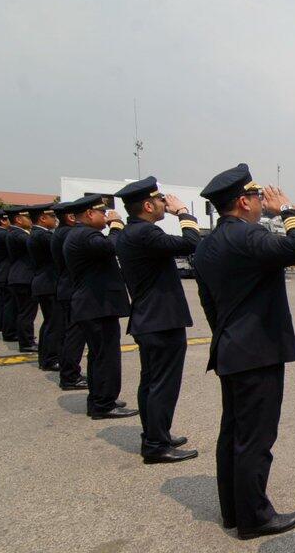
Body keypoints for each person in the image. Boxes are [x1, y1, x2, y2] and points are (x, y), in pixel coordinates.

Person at [192, 164, 295, 540]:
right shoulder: (247, 237)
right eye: (258, 197)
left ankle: (233, 510)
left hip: (231, 349)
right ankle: (255, 517)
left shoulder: (207, 244)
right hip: (257, 353)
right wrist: (289, 211)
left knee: (232, 434)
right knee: (255, 440)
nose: (264, 203)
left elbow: (209, 304)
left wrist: (228, 336)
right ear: (243, 202)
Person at [113, 177, 201, 464]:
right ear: (148, 205)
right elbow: (190, 243)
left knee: (151, 381)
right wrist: (184, 213)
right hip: (160, 320)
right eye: (162, 200)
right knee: (163, 383)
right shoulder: (145, 234)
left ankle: (156, 434)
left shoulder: (130, 232)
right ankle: (155, 445)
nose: (167, 204)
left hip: (149, 318)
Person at [63, 195, 137, 419]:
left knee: (98, 355)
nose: (105, 217)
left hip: (93, 305)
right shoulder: (86, 235)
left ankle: (99, 399)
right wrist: (116, 226)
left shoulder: (78, 234)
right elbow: (111, 246)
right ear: (89, 214)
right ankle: (104, 404)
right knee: (105, 356)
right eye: (102, 213)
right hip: (97, 305)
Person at [51, 202, 88, 390]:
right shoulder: (68, 233)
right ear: (71, 217)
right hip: (71, 287)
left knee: (68, 333)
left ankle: (68, 372)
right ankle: (70, 376)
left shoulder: (60, 233)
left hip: (65, 286)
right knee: (75, 335)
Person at [27, 203, 61, 370]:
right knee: (54, 323)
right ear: (42, 218)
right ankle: (50, 358)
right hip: (48, 283)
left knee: (50, 323)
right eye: (53, 216)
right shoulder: (42, 235)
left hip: (45, 282)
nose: (55, 220)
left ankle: (46, 357)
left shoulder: (37, 234)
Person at [6, 206, 40, 353]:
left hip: (19, 276)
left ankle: (26, 339)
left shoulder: (15, 233)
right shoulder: (18, 235)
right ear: (19, 220)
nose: (30, 220)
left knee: (24, 311)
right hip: (23, 277)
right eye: (27, 217)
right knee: (27, 312)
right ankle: (26, 342)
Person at [0, 211, 17, 342]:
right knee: (9, 304)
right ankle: (9, 331)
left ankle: (2, 326)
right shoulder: (4, 235)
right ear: (3, 221)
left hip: (1, 270)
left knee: (2, 301)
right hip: (6, 271)